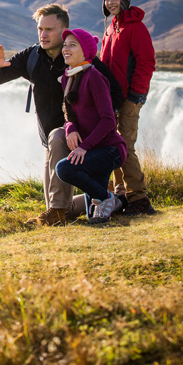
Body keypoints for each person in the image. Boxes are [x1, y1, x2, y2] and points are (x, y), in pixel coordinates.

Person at [0, 4, 122, 226]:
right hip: (49, 136)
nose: (43, 34)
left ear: (64, 30)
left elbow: (113, 93)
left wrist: (92, 127)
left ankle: (61, 212)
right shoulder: (32, 56)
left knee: (56, 202)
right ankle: (106, 199)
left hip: (79, 136)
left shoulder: (80, 57)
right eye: (40, 29)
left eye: (49, 29)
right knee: (56, 198)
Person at [54, 28, 127, 224]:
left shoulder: (94, 77)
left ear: (86, 51)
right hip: (92, 151)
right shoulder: (68, 77)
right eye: (64, 45)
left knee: (64, 168)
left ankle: (110, 198)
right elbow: (68, 111)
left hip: (109, 150)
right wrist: (71, 128)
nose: (66, 49)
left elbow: (108, 120)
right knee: (94, 215)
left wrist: (83, 147)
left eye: (72, 45)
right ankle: (112, 201)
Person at [100, 0, 156, 215]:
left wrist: (136, 94)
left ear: (125, 0)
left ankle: (140, 199)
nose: (111, 2)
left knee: (126, 147)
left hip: (130, 98)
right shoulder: (111, 27)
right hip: (112, 98)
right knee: (116, 146)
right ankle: (122, 194)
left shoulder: (135, 27)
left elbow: (146, 62)